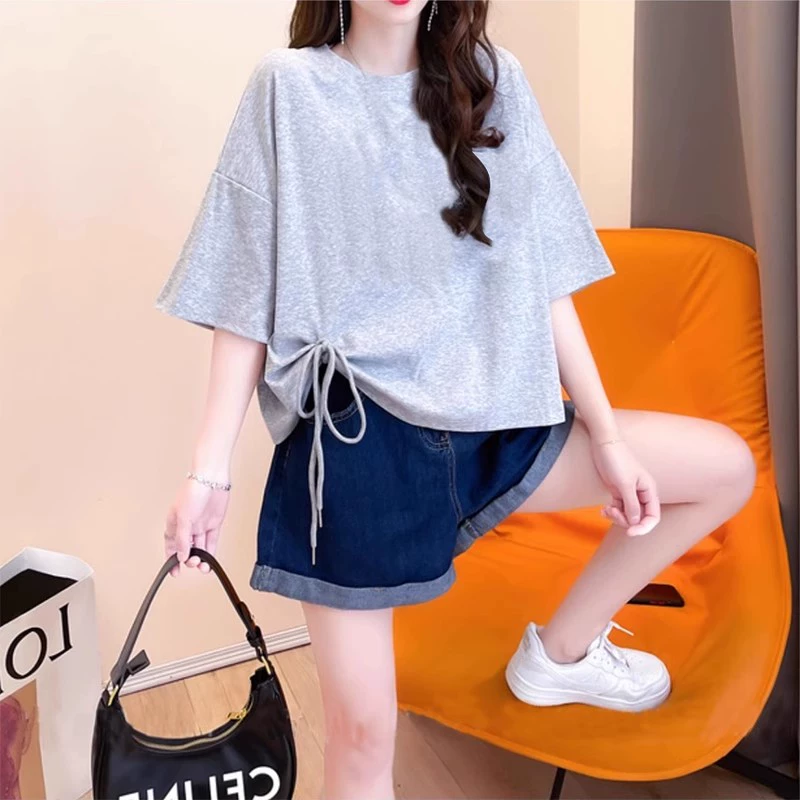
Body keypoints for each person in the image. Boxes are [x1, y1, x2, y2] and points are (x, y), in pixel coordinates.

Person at [155, 2, 757, 798]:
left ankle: (563, 653)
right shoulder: (288, 88)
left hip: (494, 426)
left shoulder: (496, 84)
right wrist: (209, 470)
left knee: (725, 467)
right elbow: (243, 293)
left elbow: (544, 281)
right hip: (358, 453)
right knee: (363, 740)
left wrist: (608, 437)